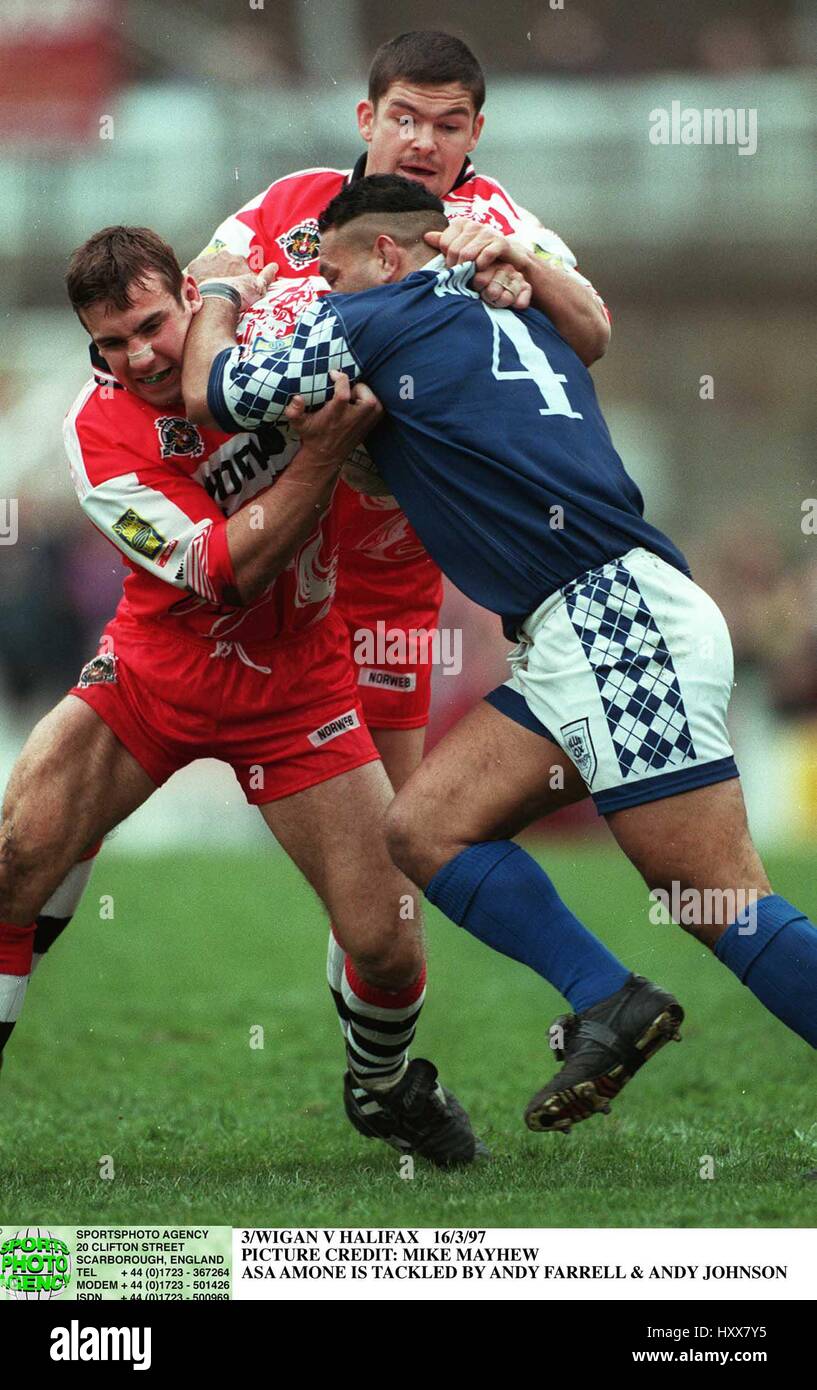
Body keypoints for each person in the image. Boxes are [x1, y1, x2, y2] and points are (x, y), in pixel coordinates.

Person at [182, 174, 817, 1133]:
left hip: (614, 622)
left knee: (716, 900)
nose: (326, 291)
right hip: (586, 624)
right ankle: (610, 1002)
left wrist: (224, 290)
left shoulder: (378, 311)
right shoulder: (487, 302)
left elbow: (215, 392)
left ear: (389, 257)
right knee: (424, 828)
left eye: (335, 273)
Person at [0, 224, 486, 1167]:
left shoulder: (268, 338)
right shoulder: (95, 436)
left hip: (298, 688)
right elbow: (226, 571)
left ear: (191, 295)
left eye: (152, 326)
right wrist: (318, 457)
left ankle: (382, 1089)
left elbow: (373, 293)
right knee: (14, 858)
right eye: (111, 344)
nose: (139, 356)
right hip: (154, 675)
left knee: (386, 942)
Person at [190, 28, 610, 794]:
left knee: (390, 829)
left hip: (388, 560)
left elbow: (592, 332)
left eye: (448, 125)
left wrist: (521, 270)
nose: (423, 142)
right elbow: (201, 297)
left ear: (475, 133)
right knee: (136, 744)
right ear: (366, 118)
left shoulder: (495, 222)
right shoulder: (288, 201)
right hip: (262, 539)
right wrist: (219, 293)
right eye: (404, 118)